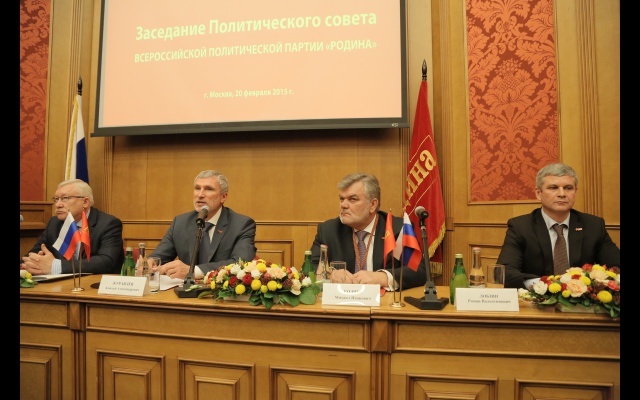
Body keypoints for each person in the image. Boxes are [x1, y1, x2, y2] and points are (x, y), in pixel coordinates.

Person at [497, 163, 620, 288]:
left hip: (581, 298)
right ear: (538, 193)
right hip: (536, 297)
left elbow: (617, 266)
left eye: (568, 188)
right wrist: (543, 286)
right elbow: (505, 272)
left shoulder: (593, 225)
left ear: (575, 192)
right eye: (553, 188)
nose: (562, 194)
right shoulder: (520, 227)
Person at [310, 173, 427, 291]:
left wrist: (382, 277)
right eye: (342, 199)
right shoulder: (328, 230)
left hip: (383, 301)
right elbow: (309, 268)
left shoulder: (396, 229)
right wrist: (331, 274)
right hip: (342, 300)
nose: (343, 205)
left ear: (372, 205)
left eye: (352, 199)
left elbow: (420, 271)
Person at [151, 170, 257, 280]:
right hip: (183, 290)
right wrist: (150, 263)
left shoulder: (241, 225)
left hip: (219, 289)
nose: (200, 195)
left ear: (223, 197)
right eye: (197, 188)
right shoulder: (180, 222)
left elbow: (241, 263)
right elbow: (159, 257)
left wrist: (193, 272)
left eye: (208, 189)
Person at [21, 179, 124, 275]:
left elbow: (106, 262)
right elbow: (32, 254)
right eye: (56, 199)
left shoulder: (108, 224)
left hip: (94, 284)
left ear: (85, 202)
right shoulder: (54, 223)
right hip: (59, 284)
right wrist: (33, 262)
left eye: (65, 198)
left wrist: (55, 266)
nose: (58, 205)